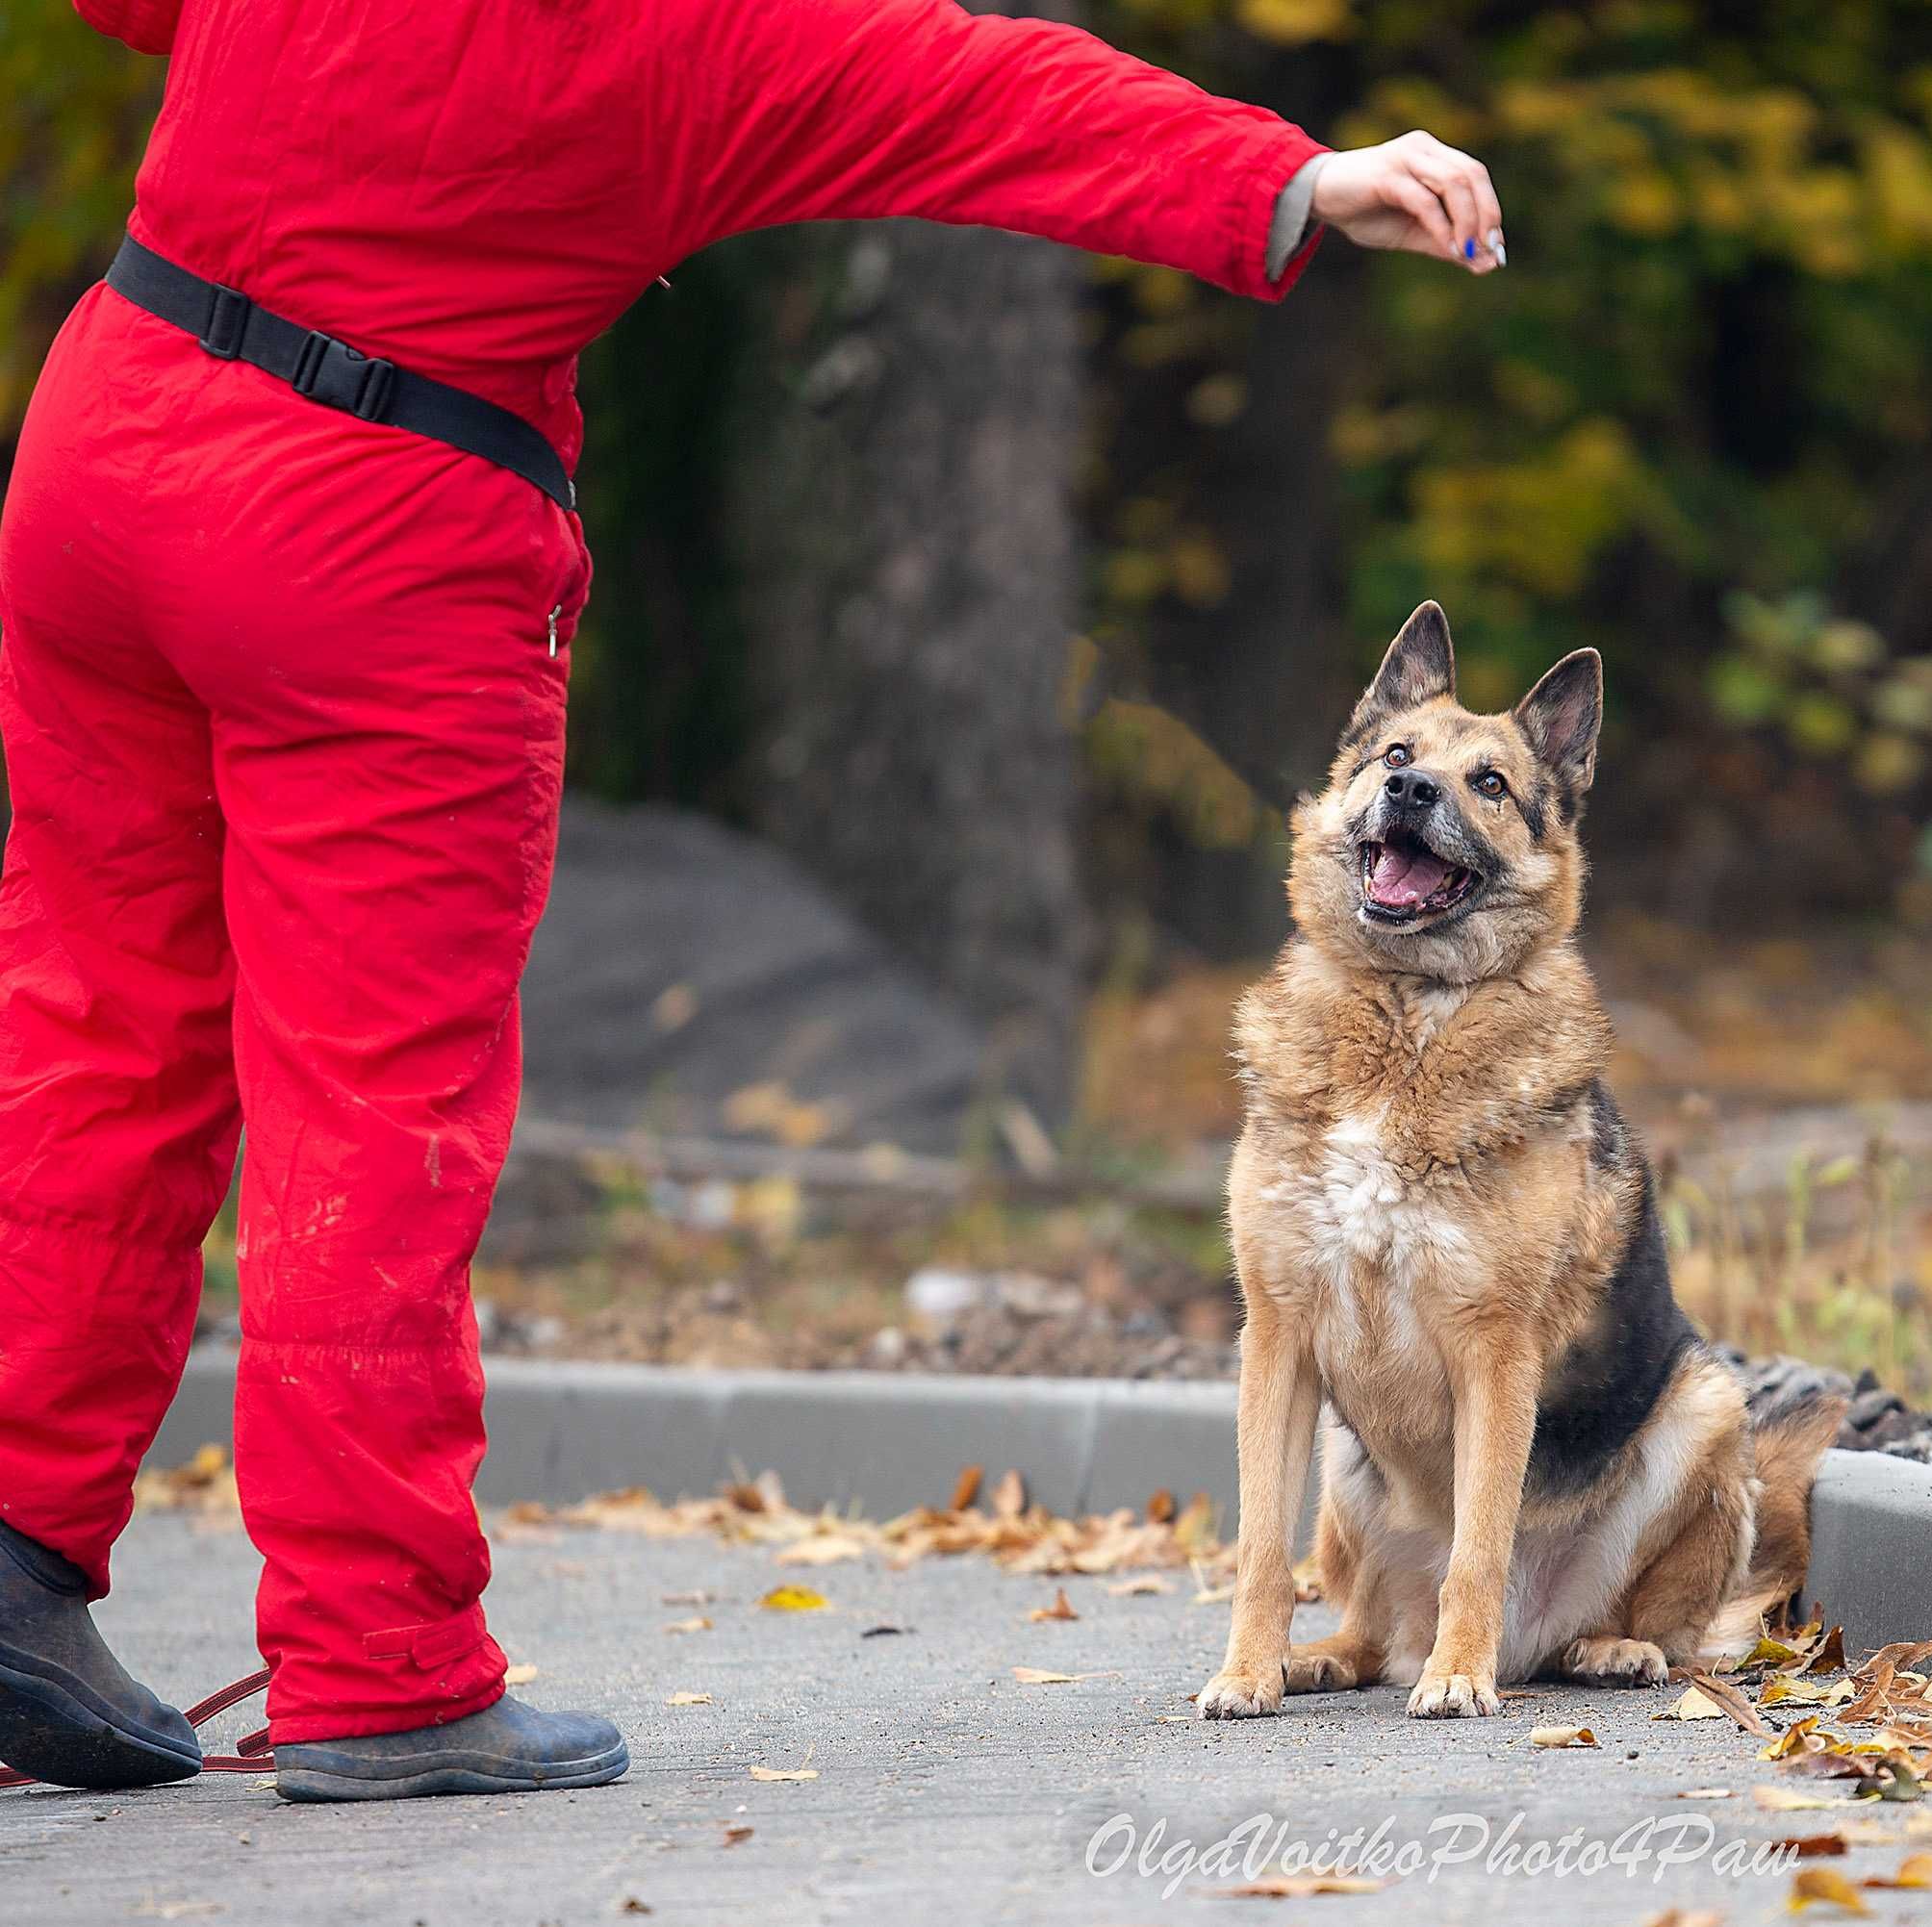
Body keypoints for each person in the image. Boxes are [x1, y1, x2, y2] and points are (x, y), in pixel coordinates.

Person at [0, 0, 1502, 1802]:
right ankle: (380, 1665)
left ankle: (7, 1558)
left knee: (90, 1040)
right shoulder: (692, 36)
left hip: (109, 445)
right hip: (367, 538)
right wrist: (1294, 175)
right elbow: (978, 95)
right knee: (371, 1116)